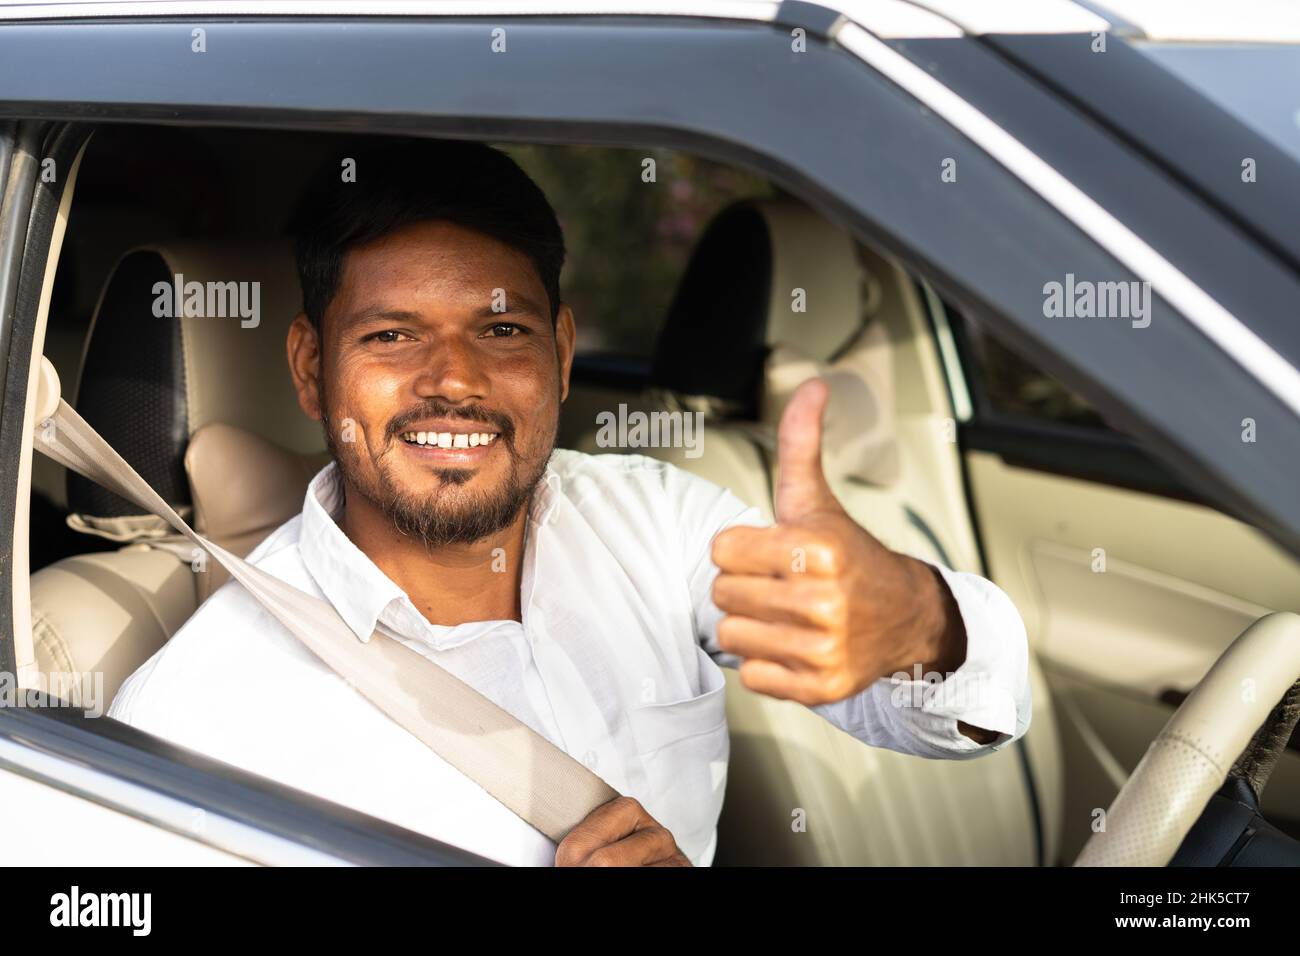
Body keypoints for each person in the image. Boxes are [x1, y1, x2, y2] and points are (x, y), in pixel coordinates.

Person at [109, 139, 1031, 867]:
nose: (455, 381)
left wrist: (915, 620)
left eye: (501, 330)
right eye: (393, 335)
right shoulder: (197, 720)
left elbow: (965, 712)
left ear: (560, 352)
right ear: (313, 370)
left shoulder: (655, 523)